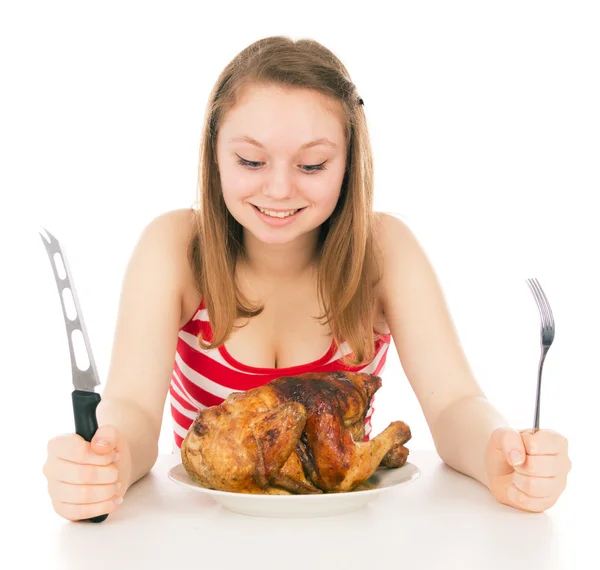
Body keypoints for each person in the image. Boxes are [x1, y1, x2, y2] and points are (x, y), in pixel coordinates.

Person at [42, 35, 571, 521]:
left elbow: (456, 403)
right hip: (202, 537)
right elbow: (132, 408)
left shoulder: (384, 251)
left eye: (312, 166)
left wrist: (498, 452)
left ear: (347, 163)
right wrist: (105, 463)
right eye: (250, 160)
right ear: (214, 153)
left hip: (346, 537)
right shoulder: (176, 248)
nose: (278, 189)